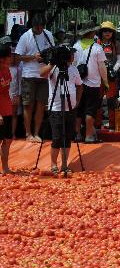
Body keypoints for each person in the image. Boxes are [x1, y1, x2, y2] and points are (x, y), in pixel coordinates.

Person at [40, 46, 82, 175]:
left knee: (68, 137)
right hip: (56, 108)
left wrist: (77, 102)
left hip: (70, 108)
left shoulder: (74, 69)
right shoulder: (53, 68)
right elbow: (42, 73)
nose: (73, 56)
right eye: (70, 54)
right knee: (57, 138)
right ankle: (53, 164)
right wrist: (53, 62)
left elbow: (80, 86)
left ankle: (64, 164)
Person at [14, 13, 55, 142]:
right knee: (28, 105)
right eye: (37, 27)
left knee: (41, 105)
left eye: (41, 26)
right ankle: (28, 133)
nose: (39, 29)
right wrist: (33, 57)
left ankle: (37, 133)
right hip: (29, 75)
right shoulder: (25, 37)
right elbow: (17, 57)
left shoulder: (48, 34)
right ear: (33, 26)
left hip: (44, 74)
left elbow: (53, 51)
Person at [72, 24, 108, 143]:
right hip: (93, 84)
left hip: (78, 83)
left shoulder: (75, 46)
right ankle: (88, 136)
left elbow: (72, 64)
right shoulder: (97, 48)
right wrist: (106, 82)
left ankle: (76, 135)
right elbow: (102, 68)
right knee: (90, 111)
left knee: (79, 109)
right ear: (91, 33)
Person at [0, 44, 13, 173]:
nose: (11, 58)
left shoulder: (7, 69)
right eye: (10, 56)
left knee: (7, 140)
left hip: (7, 108)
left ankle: (5, 168)